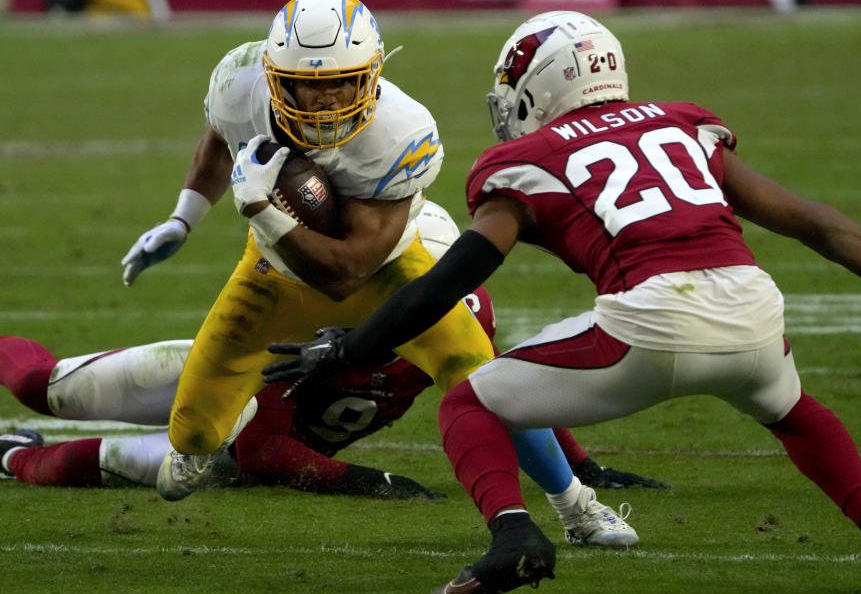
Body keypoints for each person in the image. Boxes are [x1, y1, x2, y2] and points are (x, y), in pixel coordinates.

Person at [263, 11, 861, 593]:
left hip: (649, 322)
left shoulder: (530, 158)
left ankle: (514, 536)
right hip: (753, 308)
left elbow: (452, 279)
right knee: (796, 412)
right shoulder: (685, 123)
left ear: (540, 82)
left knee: (471, 402)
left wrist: (351, 349)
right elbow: (814, 220)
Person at [122, 23, 635, 544]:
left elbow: (349, 271)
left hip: (387, 273)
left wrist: (263, 209)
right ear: (275, 79)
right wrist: (182, 218)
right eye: (308, 83)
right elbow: (219, 139)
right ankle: (201, 442)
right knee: (190, 437)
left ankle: (578, 508)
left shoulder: (401, 129)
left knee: (487, 380)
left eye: (341, 82)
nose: (325, 99)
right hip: (272, 276)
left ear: (370, 74)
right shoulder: (237, 82)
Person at [2, 203, 671, 497]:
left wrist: (583, 470)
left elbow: (507, 393)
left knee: (171, 465)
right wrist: (368, 482)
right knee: (48, 388)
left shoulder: (459, 317)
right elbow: (265, 441)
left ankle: (12, 458)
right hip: (222, 389)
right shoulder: (317, 307)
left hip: (242, 451)